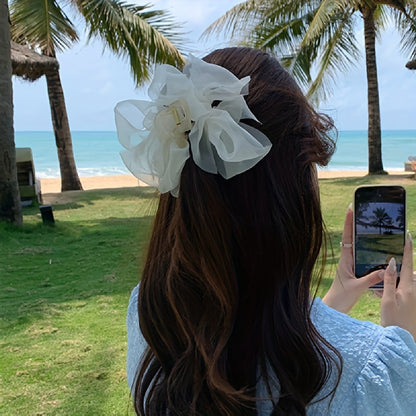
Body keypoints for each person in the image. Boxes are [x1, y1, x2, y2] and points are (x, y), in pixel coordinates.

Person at [115, 47, 416, 415]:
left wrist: (331, 305)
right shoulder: (373, 371)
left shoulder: (152, 319)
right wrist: (406, 343)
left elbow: (257, 343)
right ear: (295, 192)